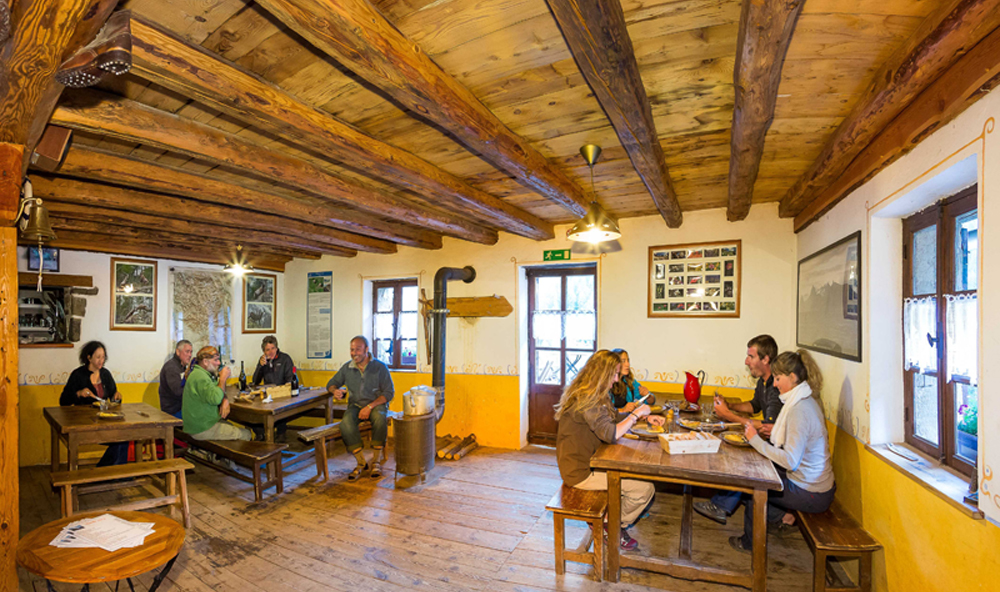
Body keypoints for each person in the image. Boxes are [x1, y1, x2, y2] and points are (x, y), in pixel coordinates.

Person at [555, 349, 663, 552]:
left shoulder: (595, 395)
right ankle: (610, 525)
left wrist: (644, 418)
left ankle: (607, 520)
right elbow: (610, 433)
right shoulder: (587, 400)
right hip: (580, 472)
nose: (615, 379)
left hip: (593, 461)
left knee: (635, 478)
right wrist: (636, 414)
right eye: (614, 374)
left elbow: (612, 418)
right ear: (602, 374)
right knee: (644, 489)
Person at [730, 349, 835, 552]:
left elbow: (790, 461)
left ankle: (750, 544)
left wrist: (755, 440)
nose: (775, 384)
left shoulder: (799, 410)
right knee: (753, 472)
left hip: (812, 492)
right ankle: (779, 518)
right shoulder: (803, 400)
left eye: (778, 378)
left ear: (793, 377)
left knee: (754, 488)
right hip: (812, 484)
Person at [694, 334, 782, 524]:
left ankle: (722, 505)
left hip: (779, 450)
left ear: (765, 359)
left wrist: (728, 416)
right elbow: (754, 406)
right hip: (769, 442)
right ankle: (778, 515)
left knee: (743, 461)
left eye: (751, 356)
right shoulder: (763, 381)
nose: (746, 361)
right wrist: (730, 406)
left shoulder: (777, 385)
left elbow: (768, 427)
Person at [326, 336, 394, 481]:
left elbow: (389, 393)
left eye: (358, 349)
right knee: (346, 424)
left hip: (376, 404)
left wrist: (369, 407)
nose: (354, 353)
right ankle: (361, 462)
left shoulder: (380, 367)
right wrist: (335, 391)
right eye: (352, 349)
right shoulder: (347, 368)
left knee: (379, 419)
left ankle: (376, 461)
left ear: (367, 350)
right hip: (355, 405)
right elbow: (331, 383)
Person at [60, 341, 128, 466]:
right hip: (83, 424)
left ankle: (110, 473)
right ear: (89, 357)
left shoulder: (105, 374)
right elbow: (63, 401)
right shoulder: (78, 375)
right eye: (98, 357)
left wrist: (117, 397)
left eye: (103, 357)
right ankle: (105, 473)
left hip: (103, 421)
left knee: (123, 437)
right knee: (120, 440)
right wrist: (79, 393)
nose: (101, 360)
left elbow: (113, 400)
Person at [182, 346, 252, 441]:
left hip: (199, 425)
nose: (219, 363)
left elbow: (218, 389)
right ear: (206, 362)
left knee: (230, 425)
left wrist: (225, 399)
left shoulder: (200, 373)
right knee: (246, 434)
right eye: (215, 360)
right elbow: (216, 398)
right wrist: (223, 378)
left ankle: (222, 455)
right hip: (201, 428)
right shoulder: (201, 377)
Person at [159, 340, 193, 419]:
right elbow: (179, 392)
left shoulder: (182, 367)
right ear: (178, 352)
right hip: (173, 411)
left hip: (181, 408)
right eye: (187, 352)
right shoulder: (171, 368)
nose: (190, 355)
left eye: (191, 352)